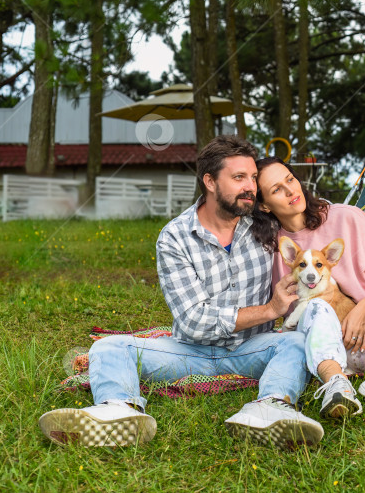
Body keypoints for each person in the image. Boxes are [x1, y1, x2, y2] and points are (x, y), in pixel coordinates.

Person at [38, 136, 324, 449]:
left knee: (296, 343)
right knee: (108, 348)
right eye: (239, 177)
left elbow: (312, 225)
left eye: (253, 177)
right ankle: (120, 411)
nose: (251, 187)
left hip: (254, 347)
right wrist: (270, 310)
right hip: (190, 352)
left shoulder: (266, 224)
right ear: (210, 181)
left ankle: (270, 407)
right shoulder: (174, 237)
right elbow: (192, 322)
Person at [251, 157, 365, 418]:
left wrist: (362, 309)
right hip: (321, 332)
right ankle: (336, 383)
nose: (291, 190)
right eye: (277, 189)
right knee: (315, 304)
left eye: (290, 179)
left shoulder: (346, 217)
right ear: (264, 205)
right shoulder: (271, 247)